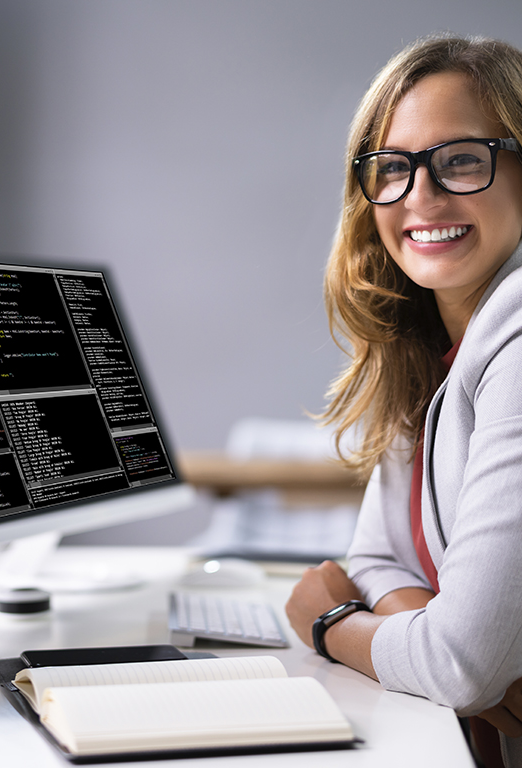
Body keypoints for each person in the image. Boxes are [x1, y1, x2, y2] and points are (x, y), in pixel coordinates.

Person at [285, 34, 522, 768]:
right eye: (392, 167)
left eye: (461, 160)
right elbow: (376, 555)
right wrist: (435, 638)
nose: (420, 196)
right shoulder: (426, 342)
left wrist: (331, 622)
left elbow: (457, 666)